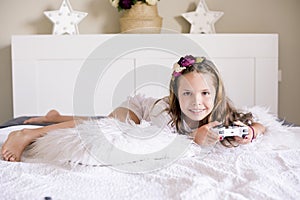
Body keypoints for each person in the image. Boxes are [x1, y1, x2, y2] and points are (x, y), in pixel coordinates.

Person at [1, 55, 266, 162]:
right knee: (107, 125)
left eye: (205, 93)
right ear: (175, 95)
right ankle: (26, 135)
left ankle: (55, 117)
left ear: (217, 94)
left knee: (103, 118)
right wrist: (194, 138)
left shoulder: (222, 113)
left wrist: (249, 133)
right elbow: (162, 142)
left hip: (147, 112)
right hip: (140, 111)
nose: (197, 102)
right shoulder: (166, 112)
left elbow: (262, 124)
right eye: (187, 94)